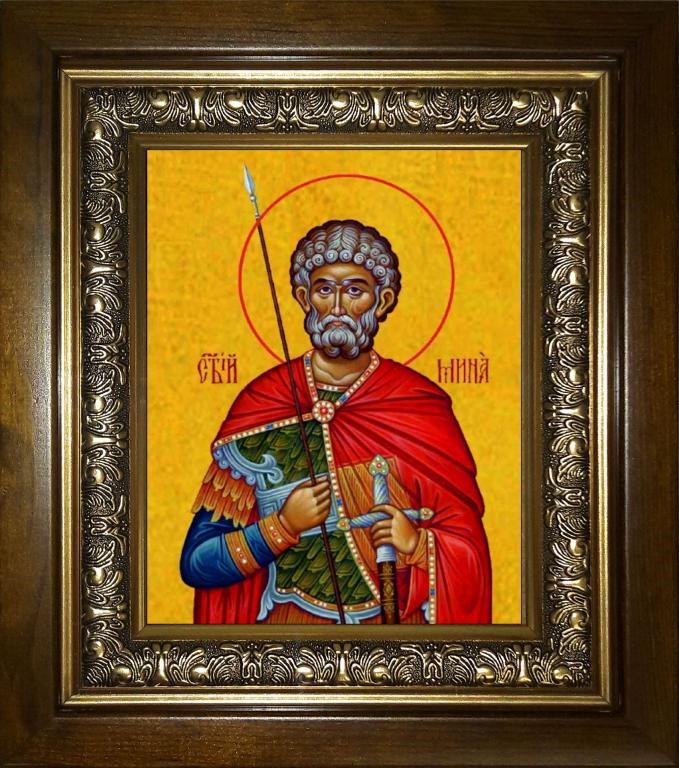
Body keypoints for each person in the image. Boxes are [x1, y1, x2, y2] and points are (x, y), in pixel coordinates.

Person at [180, 219, 491, 624]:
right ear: (304, 297)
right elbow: (197, 562)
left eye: (355, 290)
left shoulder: (419, 407)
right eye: (325, 289)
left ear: (383, 301)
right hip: (287, 635)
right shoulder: (264, 403)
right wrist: (281, 526)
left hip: (393, 634)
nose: (339, 307)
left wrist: (418, 545)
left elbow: (469, 549)